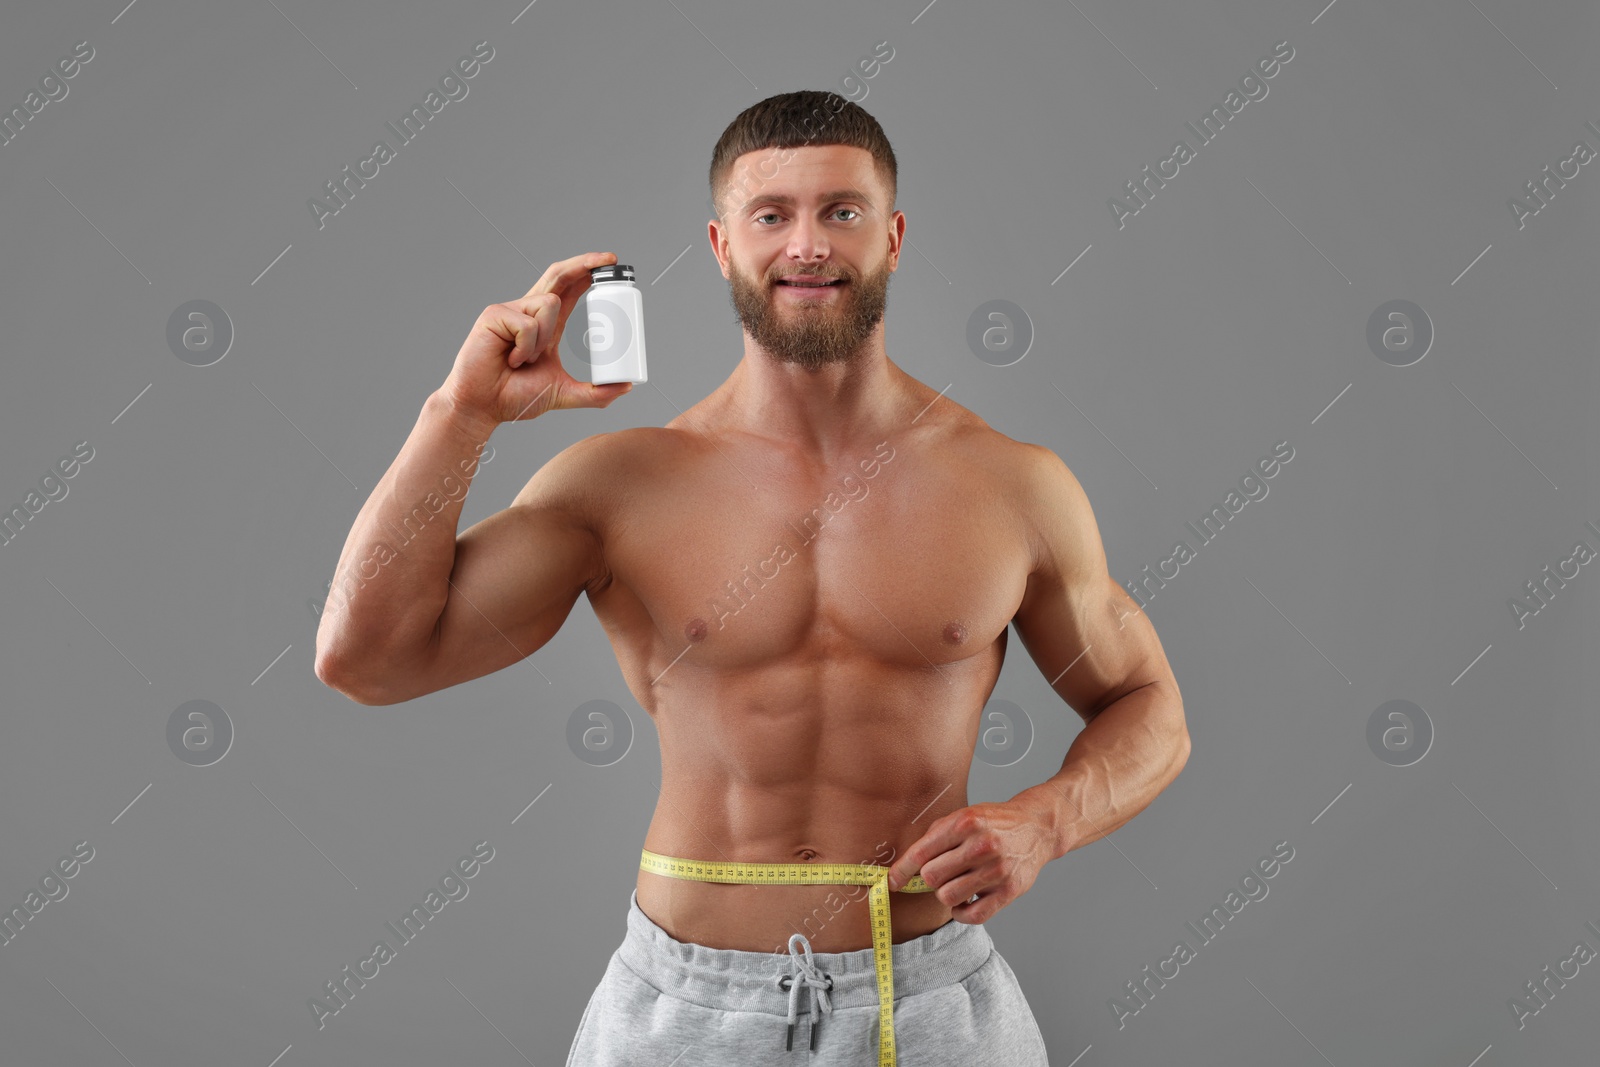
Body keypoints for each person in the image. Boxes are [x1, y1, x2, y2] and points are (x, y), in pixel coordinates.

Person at [314, 90, 1188, 1067]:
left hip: (928, 996)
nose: (807, 244)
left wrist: (1046, 820)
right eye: (771, 214)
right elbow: (369, 658)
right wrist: (459, 413)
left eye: (841, 210)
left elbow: (1147, 703)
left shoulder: (1012, 484)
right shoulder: (619, 484)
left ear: (892, 236)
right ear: (721, 244)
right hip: (682, 1008)